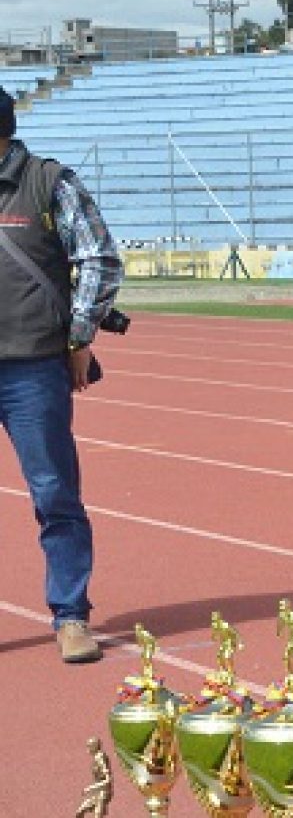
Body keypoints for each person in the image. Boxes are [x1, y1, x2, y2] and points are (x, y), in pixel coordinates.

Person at [0, 87, 120, 665]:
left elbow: (97, 258)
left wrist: (78, 335)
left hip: (32, 366)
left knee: (53, 492)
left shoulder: (50, 183)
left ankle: (70, 615)